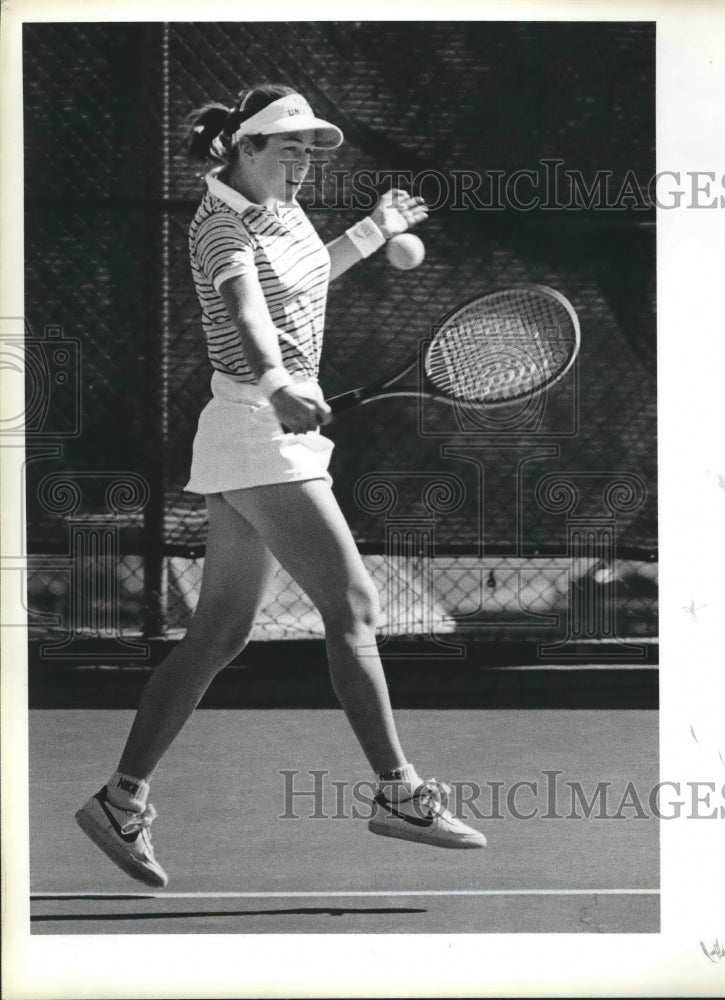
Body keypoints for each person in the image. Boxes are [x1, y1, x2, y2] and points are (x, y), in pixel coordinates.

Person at [75, 83, 486, 888]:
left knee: (218, 635)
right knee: (354, 605)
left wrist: (371, 232)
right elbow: (246, 309)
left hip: (259, 431)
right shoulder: (219, 223)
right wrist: (276, 382)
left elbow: (301, 282)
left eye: (310, 151)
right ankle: (399, 792)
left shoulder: (283, 213)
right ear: (247, 147)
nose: (303, 163)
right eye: (289, 148)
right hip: (258, 429)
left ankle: (121, 799)